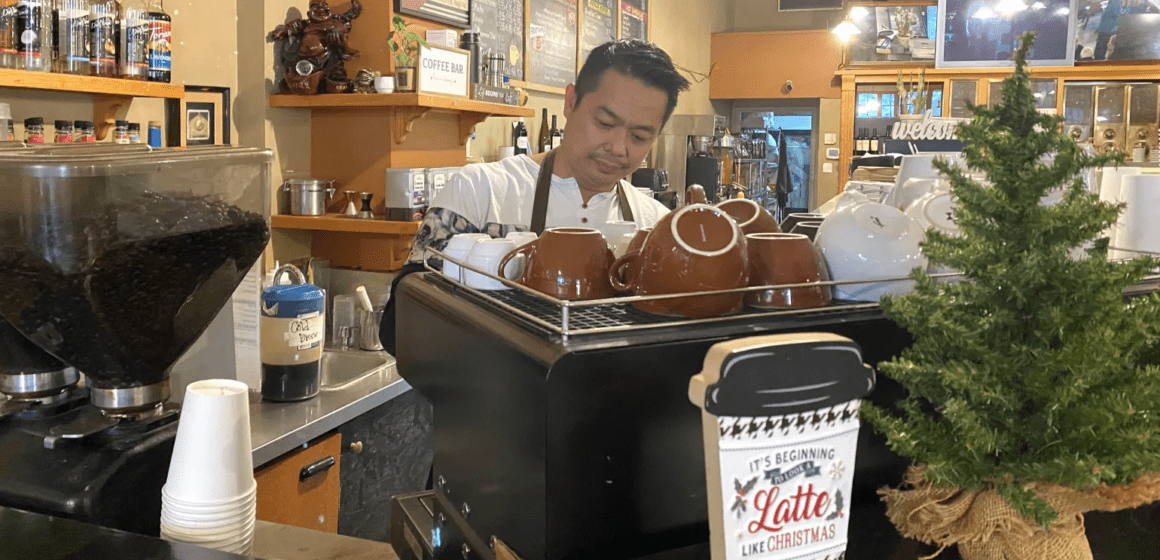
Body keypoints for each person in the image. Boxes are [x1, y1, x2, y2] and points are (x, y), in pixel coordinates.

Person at [378, 39, 691, 354]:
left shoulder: (656, 228)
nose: (618, 148)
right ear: (570, 101)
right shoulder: (477, 191)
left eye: (639, 136)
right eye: (605, 123)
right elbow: (398, 330)